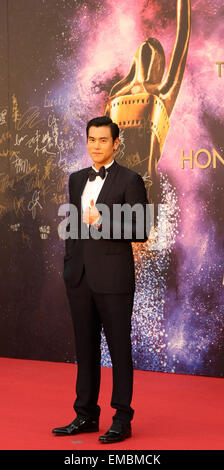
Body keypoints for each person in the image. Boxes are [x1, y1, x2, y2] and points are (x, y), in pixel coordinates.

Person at [52, 116, 149, 443]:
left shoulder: (130, 179)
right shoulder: (76, 179)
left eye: (103, 140)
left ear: (115, 143)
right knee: (86, 349)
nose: (96, 145)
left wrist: (103, 221)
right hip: (79, 278)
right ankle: (85, 414)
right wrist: (69, 268)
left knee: (119, 350)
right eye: (92, 139)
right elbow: (73, 229)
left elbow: (141, 229)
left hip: (114, 279)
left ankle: (122, 417)